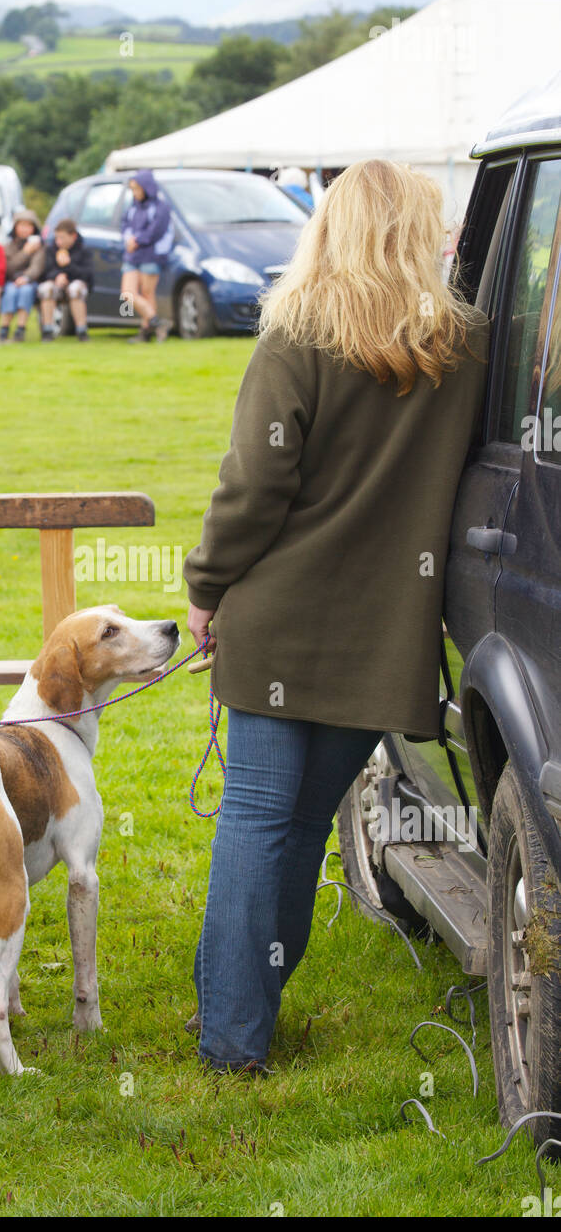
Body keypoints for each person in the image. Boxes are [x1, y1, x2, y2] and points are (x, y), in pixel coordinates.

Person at [182, 158, 490, 1073]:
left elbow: (254, 487)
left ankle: (235, 1037)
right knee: (301, 826)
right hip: (385, 636)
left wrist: (204, 589)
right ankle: (248, 1016)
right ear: (417, 236)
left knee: (256, 820)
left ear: (332, 229)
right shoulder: (466, 349)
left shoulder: (295, 336)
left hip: (279, 618)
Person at [120, 170, 174, 342]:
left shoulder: (160, 207)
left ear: (146, 188)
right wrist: (128, 239)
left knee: (147, 293)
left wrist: (138, 240)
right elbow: (125, 225)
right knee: (127, 294)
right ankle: (157, 322)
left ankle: (145, 331)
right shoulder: (133, 206)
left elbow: (156, 230)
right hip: (132, 255)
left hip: (151, 255)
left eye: (137, 189)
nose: (134, 193)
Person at [37, 218, 94, 342]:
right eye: (57, 238)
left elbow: (87, 275)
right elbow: (46, 271)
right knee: (47, 289)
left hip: (76, 283)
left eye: (62, 238)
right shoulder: (51, 249)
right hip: (56, 284)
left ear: (73, 236)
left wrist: (68, 266)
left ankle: (81, 331)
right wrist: (57, 276)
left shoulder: (84, 250)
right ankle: (47, 330)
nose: (58, 241)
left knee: (76, 289)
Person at [0, 208, 45, 342]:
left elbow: (37, 267)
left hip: (29, 282)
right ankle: (4, 328)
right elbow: (9, 268)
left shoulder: (39, 247)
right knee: (10, 292)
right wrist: (25, 253)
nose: (25, 229)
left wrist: (26, 278)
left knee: (26, 291)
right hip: (11, 281)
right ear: (15, 227)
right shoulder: (8, 246)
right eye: (22, 225)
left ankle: (20, 329)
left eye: (28, 226)